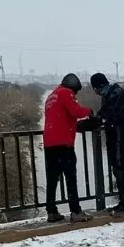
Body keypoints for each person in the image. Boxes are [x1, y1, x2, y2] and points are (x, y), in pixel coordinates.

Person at [40, 74, 94, 223]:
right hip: (63, 144)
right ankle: (76, 211)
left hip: (50, 144)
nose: (75, 95)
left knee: (52, 179)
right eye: (75, 92)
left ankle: (51, 211)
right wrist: (89, 111)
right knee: (71, 178)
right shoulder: (65, 93)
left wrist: (74, 126)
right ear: (73, 87)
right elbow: (76, 111)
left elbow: (61, 119)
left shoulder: (51, 96)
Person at [90, 72, 124, 216]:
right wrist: (96, 120)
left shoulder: (118, 94)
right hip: (114, 136)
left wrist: (96, 121)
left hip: (121, 136)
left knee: (121, 168)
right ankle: (123, 201)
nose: (95, 92)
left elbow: (110, 115)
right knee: (117, 168)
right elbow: (104, 114)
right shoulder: (108, 95)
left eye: (95, 88)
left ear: (100, 85)